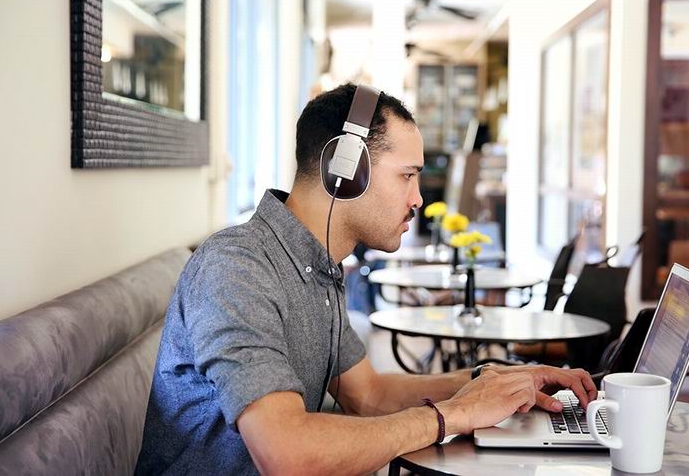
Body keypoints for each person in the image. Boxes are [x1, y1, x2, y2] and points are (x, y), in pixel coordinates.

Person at [135, 84, 597, 475]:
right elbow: (286, 453)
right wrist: (454, 414)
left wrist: (491, 381)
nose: (417, 199)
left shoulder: (318, 269)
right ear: (345, 170)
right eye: (407, 176)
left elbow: (369, 395)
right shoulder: (238, 268)